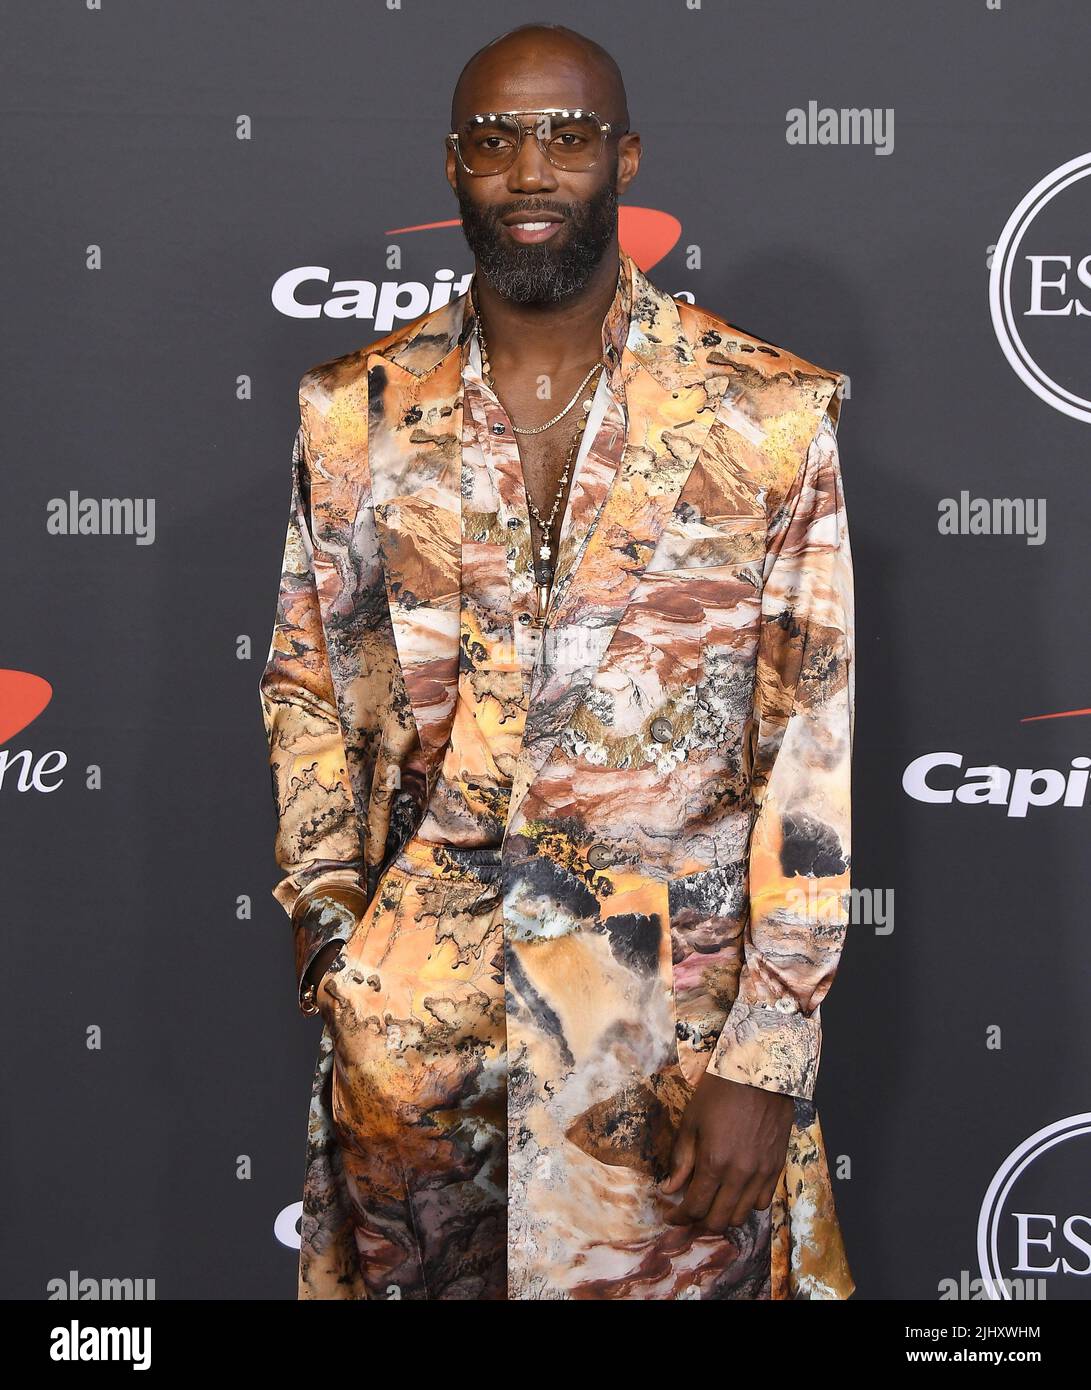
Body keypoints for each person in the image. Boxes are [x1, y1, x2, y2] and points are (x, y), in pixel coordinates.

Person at [260, 21, 856, 1301]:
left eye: (567, 137)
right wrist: (336, 942)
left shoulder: (763, 414)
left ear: (624, 160)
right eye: (495, 140)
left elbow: (809, 750)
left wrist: (766, 1051)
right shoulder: (351, 410)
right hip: (416, 1032)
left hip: (661, 1035)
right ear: (452, 168)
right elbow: (307, 686)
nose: (530, 171)